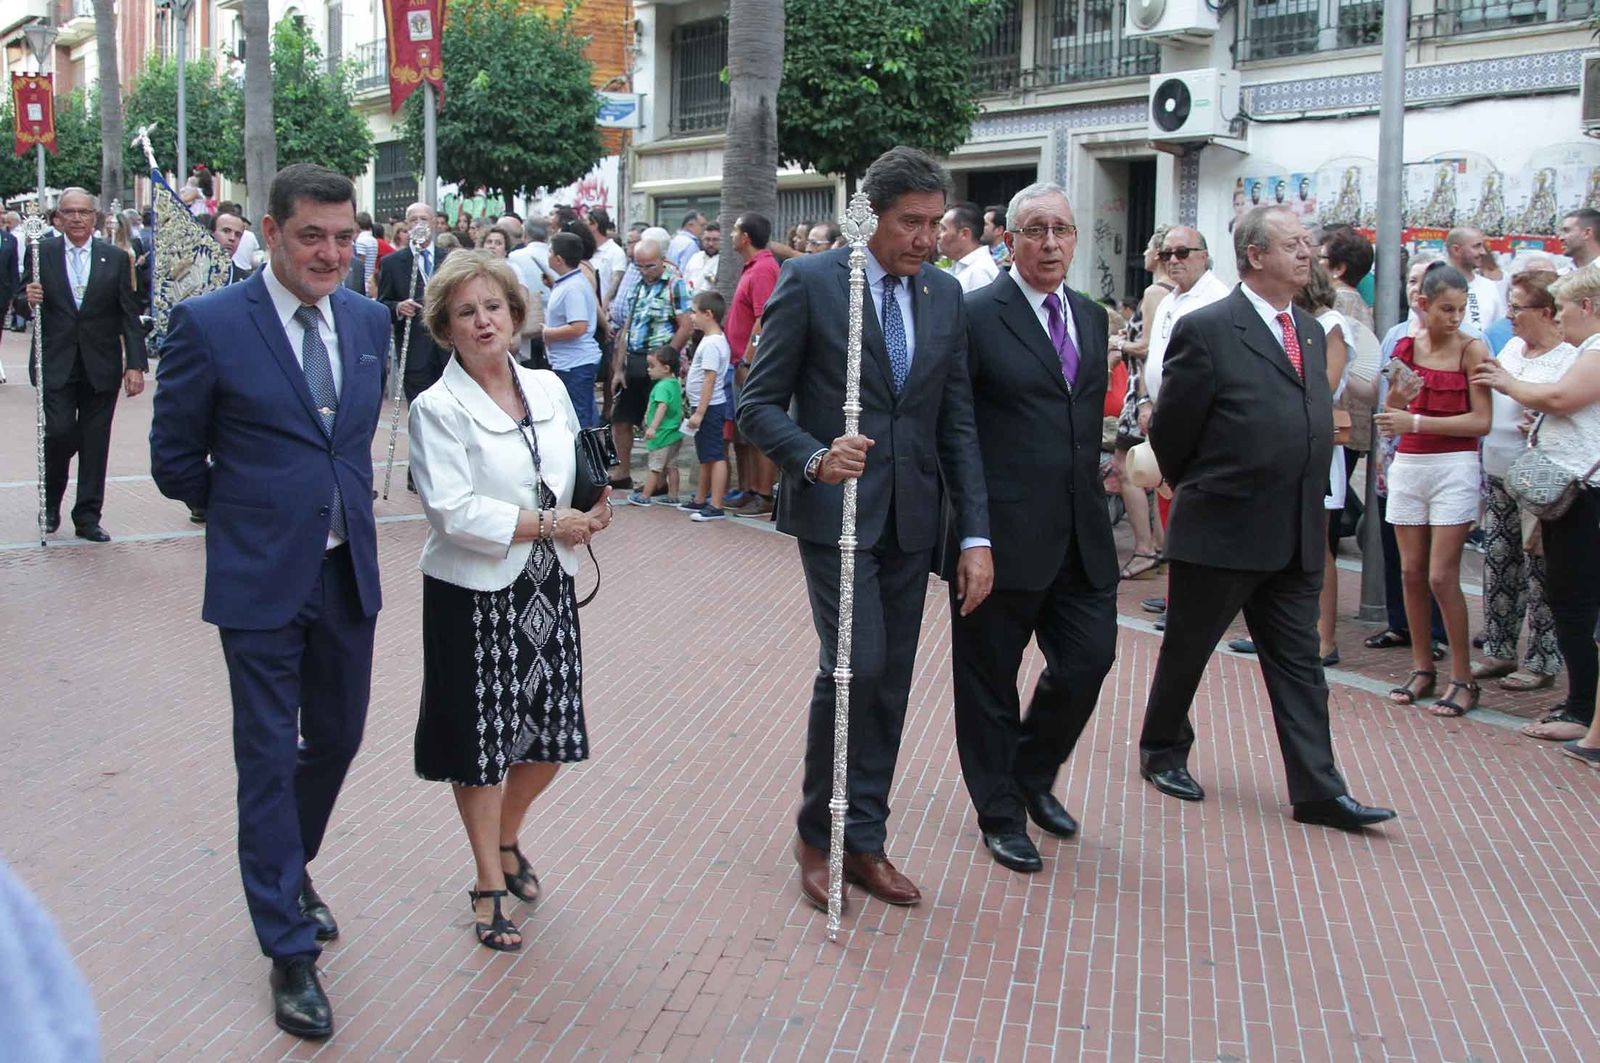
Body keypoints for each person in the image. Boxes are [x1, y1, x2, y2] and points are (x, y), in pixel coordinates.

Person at [150, 164, 392, 1039]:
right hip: (257, 580)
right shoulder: (211, 324)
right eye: (311, 237)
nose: (331, 252)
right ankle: (289, 950)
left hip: (345, 576)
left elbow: (351, 443)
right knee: (264, 754)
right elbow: (174, 455)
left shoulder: (368, 321)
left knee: (338, 735)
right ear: (271, 230)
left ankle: (289, 866)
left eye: (343, 235)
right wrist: (242, 514)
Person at [738, 145, 992, 911]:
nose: (925, 238)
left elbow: (957, 424)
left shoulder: (944, 297)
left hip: (914, 518)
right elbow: (756, 405)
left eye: (934, 223)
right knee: (856, 667)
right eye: (909, 223)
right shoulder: (815, 282)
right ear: (871, 217)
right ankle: (818, 835)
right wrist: (814, 457)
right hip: (836, 515)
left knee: (891, 682)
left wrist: (975, 535)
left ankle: (865, 838)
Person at [1138, 205, 1395, 830]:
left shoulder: (1309, 330)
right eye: (1293, 244)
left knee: (1300, 664)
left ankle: (1317, 789)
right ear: (1256, 255)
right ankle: (1162, 749)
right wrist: (1211, 483)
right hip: (1224, 525)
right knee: (1189, 649)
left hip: (1295, 529)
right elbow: (1173, 430)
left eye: (1308, 243)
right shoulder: (1208, 329)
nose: (1307, 253)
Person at [407, 250, 613, 954]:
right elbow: (451, 511)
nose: (483, 321)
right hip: (473, 591)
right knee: (482, 744)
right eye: (465, 312)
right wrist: (552, 523)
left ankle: (505, 835)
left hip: (547, 582)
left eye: (492, 306)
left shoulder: (549, 389)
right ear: (446, 329)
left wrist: (595, 498)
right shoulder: (435, 407)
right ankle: (486, 878)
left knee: (552, 737)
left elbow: (580, 459)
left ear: (516, 314)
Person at [948, 183, 1118, 874]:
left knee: (1088, 658)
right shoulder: (975, 316)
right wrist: (972, 535)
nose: (1051, 242)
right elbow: (957, 430)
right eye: (1037, 229)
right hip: (1002, 535)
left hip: (1081, 531)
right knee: (989, 678)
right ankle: (999, 811)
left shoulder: (1091, 315)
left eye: (1063, 230)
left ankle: (1029, 771)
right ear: (1010, 240)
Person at [1474, 264, 1600, 757]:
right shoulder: (1587, 349)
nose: (1560, 317)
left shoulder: (1594, 349)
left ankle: (1581, 709)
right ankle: (1581, 707)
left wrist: (1509, 384)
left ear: (1586, 306)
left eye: (1565, 307)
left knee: (1573, 602)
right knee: (1570, 598)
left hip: (1582, 492)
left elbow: (1560, 397)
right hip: (1576, 490)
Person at [1376, 263, 1493, 716]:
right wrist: (1400, 407)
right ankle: (1422, 667)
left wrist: (1416, 420)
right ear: (1422, 304)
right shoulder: (1406, 345)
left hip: (1454, 464)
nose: (1455, 317)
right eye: (1447, 308)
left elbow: (1482, 421)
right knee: (1410, 572)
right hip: (1410, 463)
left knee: (1442, 576)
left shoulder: (1472, 349)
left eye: (1461, 309)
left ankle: (1463, 677)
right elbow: (1391, 410)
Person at [17, 188, 147, 542]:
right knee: (59, 433)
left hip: (100, 364)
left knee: (95, 442)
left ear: (95, 217)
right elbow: (17, 299)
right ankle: (51, 503)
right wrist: (26, 299)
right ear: (57, 218)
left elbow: (128, 314)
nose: (77, 218)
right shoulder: (40, 253)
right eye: (69, 212)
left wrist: (135, 364)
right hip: (55, 362)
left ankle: (88, 516)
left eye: (84, 212)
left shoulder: (114, 258)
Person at [1470, 270, 1573, 720]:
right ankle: (1498, 647)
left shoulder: (1569, 358)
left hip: (1540, 479)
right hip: (1498, 471)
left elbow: (1563, 406)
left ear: (1546, 314)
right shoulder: (1513, 347)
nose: (1509, 315)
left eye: (1517, 308)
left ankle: (1542, 660)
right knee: (1498, 557)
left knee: (1539, 568)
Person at [1297, 261, 1364, 666]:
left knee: (1319, 545)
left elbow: (1327, 381)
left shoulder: (1331, 324)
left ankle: (1325, 638)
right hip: (1291, 440)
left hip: (1319, 442)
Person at [610, 235, 692, 489]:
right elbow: (628, 326)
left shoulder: (674, 284)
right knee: (622, 418)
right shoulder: (637, 284)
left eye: (650, 266)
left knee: (659, 421)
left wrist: (667, 357)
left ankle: (658, 479)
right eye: (640, 266)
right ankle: (623, 472)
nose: (645, 271)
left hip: (659, 362)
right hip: (634, 359)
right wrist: (618, 368)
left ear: (662, 261)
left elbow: (685, 325)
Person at [724, 212, 783, 517]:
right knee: (741, 432)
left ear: (745, 237)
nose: (731, 235)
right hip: (737, 361)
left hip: (751, 363)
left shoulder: (763, 269)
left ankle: (763, 492)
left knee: (758, 431)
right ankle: (747, 488)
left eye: (734, 230)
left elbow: (765, 318)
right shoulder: (752, 267)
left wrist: (750, 358)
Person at [378, 202, 453, 408]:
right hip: (414, 351)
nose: (419, 223)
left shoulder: (449, 259)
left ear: (434, 224)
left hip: (448, 351)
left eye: (424, 219)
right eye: (414, 219)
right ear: (407, 225)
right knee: (421, 412)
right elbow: (382, 304)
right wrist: (398, 307)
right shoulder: (392, 263)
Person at [543, 231, 604, 429]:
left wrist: (547, 333)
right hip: (570, 362)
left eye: (550, 251)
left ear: (558, 259)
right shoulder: (569, 282)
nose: (548, 255)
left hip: (575, 363)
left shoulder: (573, 287)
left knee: (580, 419)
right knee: (583, 413)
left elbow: (578, 327)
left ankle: (585, 458)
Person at [681, 290, 733, 521]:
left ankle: (716, 504)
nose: (691, 316)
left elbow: (710, 379)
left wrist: (700, 412)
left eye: (694, 312)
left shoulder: (712, 344)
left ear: (708, 314)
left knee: (715, 454)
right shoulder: (711, 341)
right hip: (704, 407)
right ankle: (701, 498)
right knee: (705, 454)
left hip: (709, 408)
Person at [629, 346, 685, 505]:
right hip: (674, 433)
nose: (648, 370)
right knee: (672, 466)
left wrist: (653, 426)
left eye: (652, 366)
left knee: (655, 467)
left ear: (666, 368)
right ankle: (673, 495)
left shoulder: (661, 386)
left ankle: (645, 496)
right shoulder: (674, 383)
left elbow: (662, 406)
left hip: (662, 434)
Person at [1445, 227, 1505, 331]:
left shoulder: (1489, 287)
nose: (1483, 252)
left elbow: (1499, 329)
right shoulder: (1435, 284)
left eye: (1482, 247)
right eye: (1476, 246)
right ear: (1456, 250)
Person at [938, 200, 1000, 293]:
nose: (938, 235)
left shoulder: (980, 273)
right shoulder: (961, 266)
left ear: (964, 234)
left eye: (943, 229)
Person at [587, 208, 627, 301]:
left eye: (586, 223)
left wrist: (603, 308)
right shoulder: (586, 251)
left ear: (594, 225)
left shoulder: (615, 252)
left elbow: (616, 281)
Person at [685, 221, 721, 291]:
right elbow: (686, 280)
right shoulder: (695, 258)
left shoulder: (723, 262)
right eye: (707, 239)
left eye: (715, 240)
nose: (711, 244)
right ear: (702, 239)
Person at [354, 212, 380, 293]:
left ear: (357, 224)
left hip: (363, 280)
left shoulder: (361, 240)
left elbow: (360, 262)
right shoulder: (373, 239)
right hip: (370, 277)